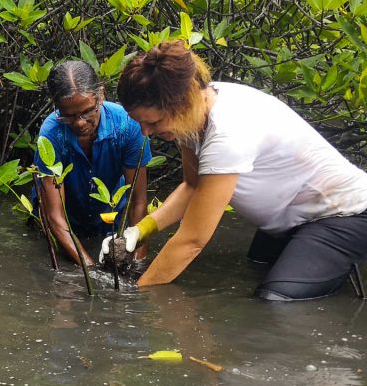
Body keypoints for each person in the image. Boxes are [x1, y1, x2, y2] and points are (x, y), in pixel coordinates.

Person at [103, 40, 367, 300]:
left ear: (181, 103)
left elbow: (192, 240)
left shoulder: (229, 132)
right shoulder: (193, 111)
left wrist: (135, 300)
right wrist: (139, 231)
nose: (146, 133)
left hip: (342, 216)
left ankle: (341, 266)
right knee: (255, 266)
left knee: (274, 298)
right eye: (141, 123)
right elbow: (192, 186)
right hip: (290, 221)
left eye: (153, 122)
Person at [34, 60, 151, 267]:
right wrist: (90, 269)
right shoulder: (51, 134)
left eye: (88, 111)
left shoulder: (127, 126)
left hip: (110, 216)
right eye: (68, 116)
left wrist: (138, 264)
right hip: (65, 222)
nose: (79, 122)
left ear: (101, 95)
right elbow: (55, 217)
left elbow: (138, 203)